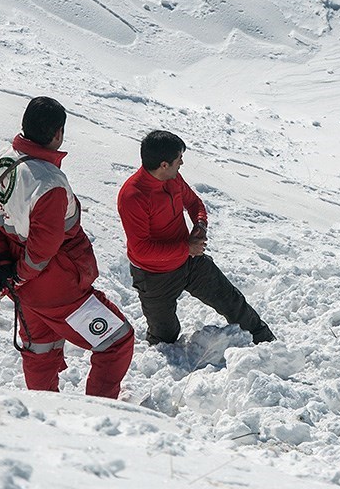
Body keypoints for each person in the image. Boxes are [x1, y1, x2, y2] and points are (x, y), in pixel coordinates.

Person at [0, 96, 134, 399]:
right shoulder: (49, 183)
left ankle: (44, 416)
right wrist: (17, 274)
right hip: (55, 286)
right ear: (57, 133)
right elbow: (43, 250)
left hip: (23, 285)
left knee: (40, 350)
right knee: (116, 341)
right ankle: (103, 412)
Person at [117, 130, 276, 346]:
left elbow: (194, 204)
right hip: (155, 276)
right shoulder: (133, 196)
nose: (182, 162)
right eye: (178, 159)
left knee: (232, 302)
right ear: (164, 164)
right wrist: (186, 248)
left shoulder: (173, 179)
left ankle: (268, 343)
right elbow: (141, 249)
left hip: (189, 262)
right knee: (165, 335)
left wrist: (200, 225)